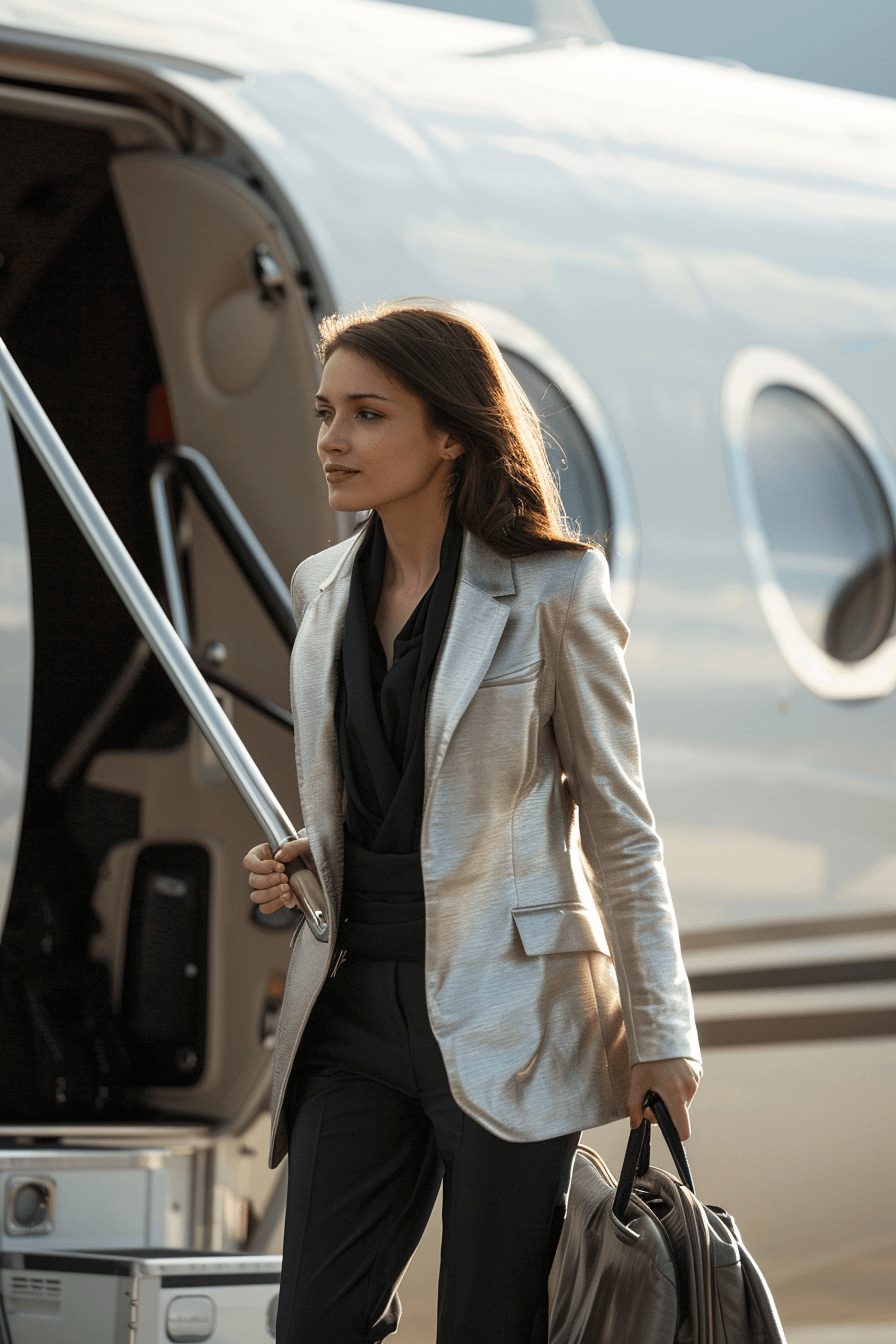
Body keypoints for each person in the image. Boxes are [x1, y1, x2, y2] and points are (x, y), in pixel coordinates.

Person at [243, 299, 702, 1343]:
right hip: (351, 1008)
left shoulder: (549, 588)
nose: (331, 440)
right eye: (324, 413)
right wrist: (310, 859)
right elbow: (386, 800)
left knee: (491, 1323)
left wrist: (660, 1033)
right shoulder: (321, 590)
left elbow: (619, 828)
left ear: (448, 430)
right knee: (312, 1321)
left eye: (367, 414)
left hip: (511, 1015)